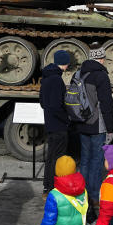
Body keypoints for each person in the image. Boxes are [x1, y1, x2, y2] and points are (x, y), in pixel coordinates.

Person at [74, 47, 113, 224]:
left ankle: (81, 193)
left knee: (84, 159)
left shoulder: (77, 74)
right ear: (100, 59)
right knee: (97, 161)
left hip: (81, 123)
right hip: (97, 124)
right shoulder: (101, 76)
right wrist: (111, 127)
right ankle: (93, 197)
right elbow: (106, 104)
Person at [40, 49, 72, 197]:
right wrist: (66, 119)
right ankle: (54, 187)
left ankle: (47, 186)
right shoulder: (57, 80)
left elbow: (43, 102)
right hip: (59, 124)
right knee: (58, 158)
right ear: (65, 63)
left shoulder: (46, 77)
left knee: (51, 156)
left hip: (50, 123)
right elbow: (57, 105)